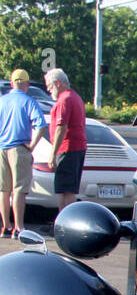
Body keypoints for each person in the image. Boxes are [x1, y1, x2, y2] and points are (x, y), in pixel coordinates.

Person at [0, 69, 48, 238]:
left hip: (2, 148)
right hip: (19, 148)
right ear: (27, 84)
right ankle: (18, 227)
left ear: (12, 83)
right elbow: (41, 125)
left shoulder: (2, 101)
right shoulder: (29, 102)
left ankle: (5, 226)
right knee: (19, 189)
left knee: (3, 190)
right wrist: (32, 145)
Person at [43, 68, 86, 211]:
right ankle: (66, 219)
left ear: (57, 83)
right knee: (68, 188)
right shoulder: (75, 97)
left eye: (49, 86)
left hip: (67, 148)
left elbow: (61, 127)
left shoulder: (64, 99)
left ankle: (64, 221)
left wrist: (52, 153)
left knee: (64, 190)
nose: (49, 90)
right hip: (76, 147)